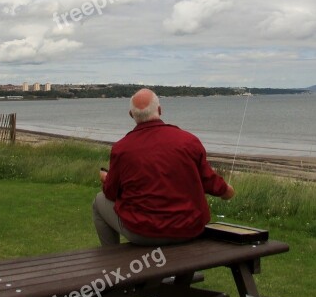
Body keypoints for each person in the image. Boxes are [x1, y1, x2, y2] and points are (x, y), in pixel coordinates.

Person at [92, 88, 235, 246]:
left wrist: (107, 180)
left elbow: (111, 194)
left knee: (99, 201)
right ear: (159, 110)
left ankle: (113, 259)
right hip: (190, 229)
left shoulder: (122, 149)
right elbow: (209, 180)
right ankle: (183, 270)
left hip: (144, 232)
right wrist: (226, 191)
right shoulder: (188, 141)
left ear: (131, 115)